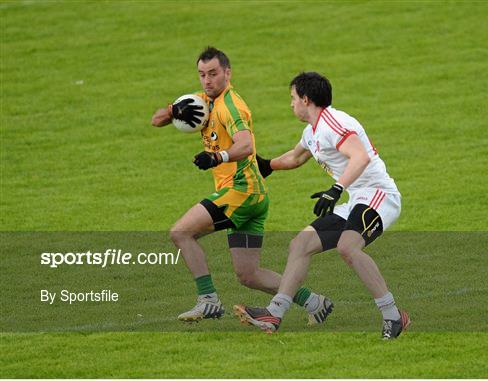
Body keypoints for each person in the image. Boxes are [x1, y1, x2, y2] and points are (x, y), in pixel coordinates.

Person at [151, 48, 333, 324]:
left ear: (227, 72)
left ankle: (208, 301)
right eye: (202, 75)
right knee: (249, 274)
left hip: (241, 191)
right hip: (252, 195)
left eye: (213, 74)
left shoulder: (231, 106)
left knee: (181, 233)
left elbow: (246, 144)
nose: (207, 80)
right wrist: (174, 110)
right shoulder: (201, 101)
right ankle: (314, 302)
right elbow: (156, 121)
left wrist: (217, 156)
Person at [234, 72, 410, 339]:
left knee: (348, 247)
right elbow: (295, 157)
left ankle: (393, 316)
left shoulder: (334, 123)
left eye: (293, 98)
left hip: (378, 195)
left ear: (306, 99)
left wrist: (336, 189)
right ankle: (275, 313)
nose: (291, 104)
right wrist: (266, 165)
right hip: (356, 199)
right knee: (300, 244)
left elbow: (360, 157)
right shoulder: (312, 132)